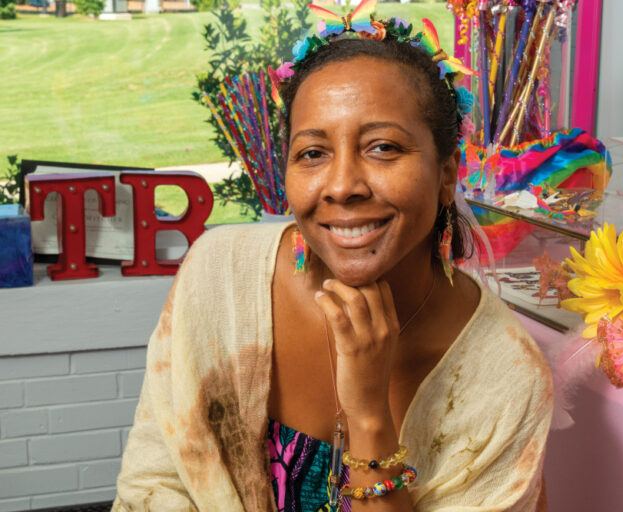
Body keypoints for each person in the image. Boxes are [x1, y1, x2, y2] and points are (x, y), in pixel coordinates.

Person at [112, 13, 552, 512]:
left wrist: (368, 416)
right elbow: (153, 484)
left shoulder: (505, 376)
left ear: (447, 174)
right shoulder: (218, 277)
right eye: (313, 153)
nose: (342, 186)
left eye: (383, 148)